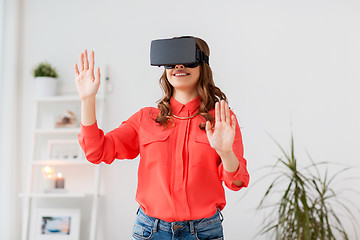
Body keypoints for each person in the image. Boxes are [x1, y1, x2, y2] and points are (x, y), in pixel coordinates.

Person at [74, 36, 249, 240]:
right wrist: (87, 100)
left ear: (203, 65)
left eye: (187, 59)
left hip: (203, 232)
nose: (179, 65)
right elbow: (96, 152)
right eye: (171, 61)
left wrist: (226, 152)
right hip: (150, 231)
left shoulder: (220, 120)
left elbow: (236, 182)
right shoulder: (145, 119)